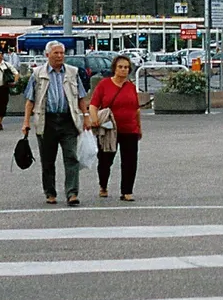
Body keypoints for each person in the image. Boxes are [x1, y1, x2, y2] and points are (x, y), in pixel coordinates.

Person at [22, 40, 90, 207]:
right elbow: (30, 100)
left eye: (62, 53)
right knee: (48, 160)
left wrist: (86, 116)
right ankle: (50, 193)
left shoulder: (72, 73)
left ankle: (72, 193)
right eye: (56, 53)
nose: (60, 56)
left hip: (68, 120)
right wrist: (26, 122)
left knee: (71, 157)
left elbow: (80, 96)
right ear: (47, 55)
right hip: (47, 120)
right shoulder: (38, 74)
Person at [90, 55, 142, 201]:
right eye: (120, 67)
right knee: (106, 159)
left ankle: (127, 191)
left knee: (130, 161)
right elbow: (94, 104)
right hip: (109, 129)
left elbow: (136, 109)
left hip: (130, 128)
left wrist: (139, 127)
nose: (123, 70)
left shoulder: (131, 87)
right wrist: (94, 119)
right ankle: (103, 185)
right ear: (114, 68)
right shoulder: (104, 84)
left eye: (126, 67)